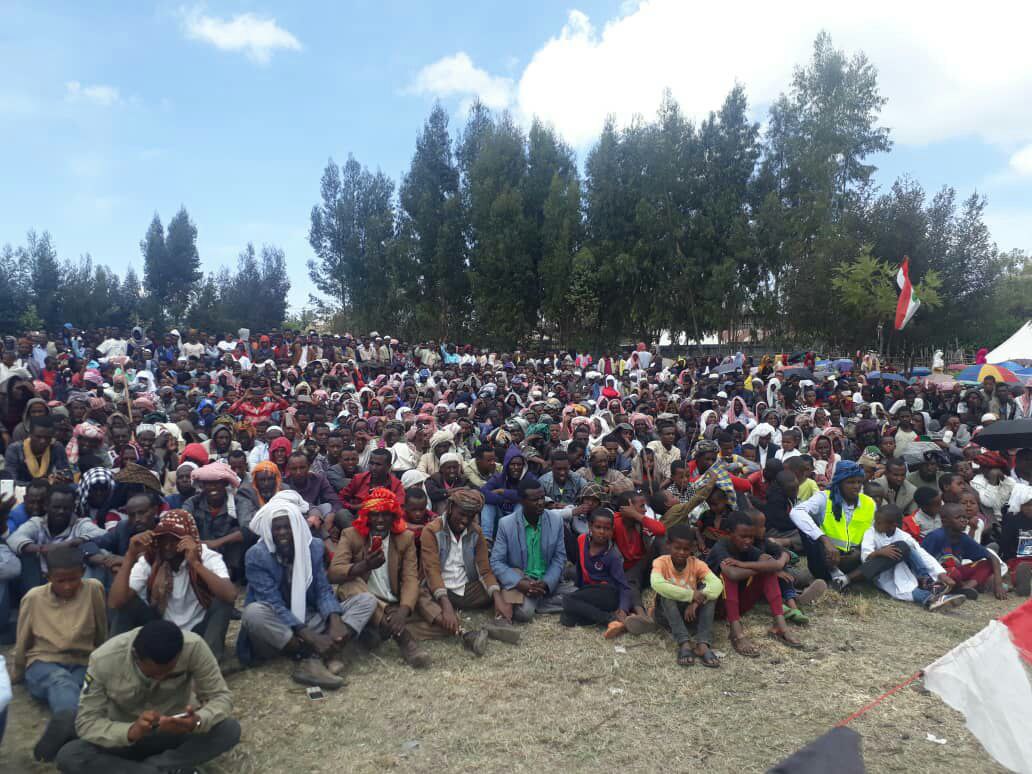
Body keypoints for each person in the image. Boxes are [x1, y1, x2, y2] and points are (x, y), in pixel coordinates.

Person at [55, 619, 240, 773]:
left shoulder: (194, 647)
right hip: (122, 739)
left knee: (229, 729)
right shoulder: (104, 659)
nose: (159, 679)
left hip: (174, 732)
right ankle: (165, 770)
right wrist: (131, 731)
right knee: (71, 755)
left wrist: (197, 721)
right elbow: (87, 722)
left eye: (168, 673)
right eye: (152, 674)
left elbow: (221, 697)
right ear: (136, 656)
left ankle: (154, 768)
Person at [240, 490, 376, 688]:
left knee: (367, 600)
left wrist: (335, 620)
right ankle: (311, 655)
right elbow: (273, 603)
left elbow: (322, 589)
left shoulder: (314, 547)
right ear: (270, 530)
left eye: (287, 527)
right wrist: (310, 637)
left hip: (310, 617)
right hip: (280, 626)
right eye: (277, 528)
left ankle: (324, 650)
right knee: (253, 613)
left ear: (297, 527)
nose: (282, 533)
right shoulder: (257, 555)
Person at [11, 543, 107, 762]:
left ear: (83, 572)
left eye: (73, 579)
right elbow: (23, 638)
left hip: (82, 661)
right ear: (48, 576)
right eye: (60, 580)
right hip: (43, 661)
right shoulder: (34, 597)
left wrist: (102, 663)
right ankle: (68, 718)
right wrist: (17, 672)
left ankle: (69, 728)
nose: (67, 586)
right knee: (60, 681)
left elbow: (101, 628)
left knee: (85, 687)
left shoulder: (93, 589)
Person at [108, 510, 237, 664]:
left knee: (222, 601)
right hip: (162, 630)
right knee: (127, 603)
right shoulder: (151, 559)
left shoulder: (206, 556)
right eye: (163, 540)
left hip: (198, 630)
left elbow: (230, 595)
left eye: (175, 540)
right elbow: (115, 602)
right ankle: (116, 662)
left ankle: (208, 663)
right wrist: (130, 556)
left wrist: (195, 564)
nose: (168, 546)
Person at [328, 487, 430, 668]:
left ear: (394, 516)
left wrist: (403, 611)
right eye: (375, 515)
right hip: (362, 599)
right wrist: (364, 565)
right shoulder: (351, 535)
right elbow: (333, 573)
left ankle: (384, 628)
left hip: (392, 602)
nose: (380, 520)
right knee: (351, 582)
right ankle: (404, 639)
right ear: (367, 516)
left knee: (420, 595)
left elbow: (410, 578)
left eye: (385, 515)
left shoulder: (405, 538)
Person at [414, 488, 521, 653]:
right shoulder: (431, 530)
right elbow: (432, 571)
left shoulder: (476, 532)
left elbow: (484, 570)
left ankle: (500, 622)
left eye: (471, 516)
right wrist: (446, 605)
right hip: (439, 592)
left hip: (468, 589)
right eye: (462, 514)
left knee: (513, 575)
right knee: (417, 592)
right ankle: (463, 632)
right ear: (450, 508)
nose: (465, 520)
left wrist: (497, 597)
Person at [706, 511, 803, 656]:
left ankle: (780, 627)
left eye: (751, 537)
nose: (748, 541)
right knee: (728, 575)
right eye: (743, 537)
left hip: (740, 603)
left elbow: (773, 564)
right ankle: (736, 633)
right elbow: (732, 574)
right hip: (717, 606)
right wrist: (760, 567)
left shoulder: (749, 548)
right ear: (729, 534)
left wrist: (743, 565)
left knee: (768, 572)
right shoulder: (721, 547)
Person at [489, 479, 575, 623]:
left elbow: (559, 557)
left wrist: (546, 583)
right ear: (522, 501)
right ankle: (542, 600)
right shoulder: (506, 524)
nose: (540, 503)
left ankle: (539, 599)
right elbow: (496, 562)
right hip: (522, 579)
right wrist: (519, 583)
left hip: (546, 578)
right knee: (524, 614)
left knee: (579, 594)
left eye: (542, 497)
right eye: (534, 500)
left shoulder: (556, 520)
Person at [789, 461, 876, 591]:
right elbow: (796, 512)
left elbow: (874, 533)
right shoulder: (824, 497)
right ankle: (836, 576)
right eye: (850, 482)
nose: (856, 486)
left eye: (859, 482)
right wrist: (825, 540)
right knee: (806, 528)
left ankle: (845, 579)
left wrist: (859, 552)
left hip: (854, 559)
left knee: (894, 548)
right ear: (839, 483)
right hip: (826, 559)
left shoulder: (869, 503)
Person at [860, 504, 964, 610]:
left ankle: (927, 581)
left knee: (909, 548)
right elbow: (865, 556)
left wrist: (940, 573)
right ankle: (930, 598)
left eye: (879, 522)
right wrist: (880, 552)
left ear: (893, 525)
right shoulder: (871, 532)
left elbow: (922, 554)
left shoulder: (903, 535)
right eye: (876, 521)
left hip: (902, 570)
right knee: (906, 590)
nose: (875, 524)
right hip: (882, 574)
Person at [7, 483, 108, 590]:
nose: (61, 511)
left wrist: (73, 543)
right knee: (25, 556)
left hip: (72, 582)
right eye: (56, 507)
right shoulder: (37, 523)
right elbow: (14, 538)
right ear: (46, 506)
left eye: (66, 508)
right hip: (41, 581)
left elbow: (103, 534)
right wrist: (41, 549)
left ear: (73, 508)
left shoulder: (80, 524)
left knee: (93, 549)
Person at [651, 524, 723, 667]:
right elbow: (656, 583)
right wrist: (691, 595)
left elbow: (717, 584)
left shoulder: (697, 563)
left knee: (708, 593)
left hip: (690, 615)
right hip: (666, 615)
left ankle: (703, 644)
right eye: (677, 548)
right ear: (668, 545)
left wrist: (696, 601)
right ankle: (684, 642)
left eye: (686, 549)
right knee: (666, 593)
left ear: (693, 548)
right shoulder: (661, 562)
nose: (682, 552)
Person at [560, 507, 633, 637]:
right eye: (598, 527)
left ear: (612, 530)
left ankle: (611, 619)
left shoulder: (613, 555)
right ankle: (611, 619)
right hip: (589, 591)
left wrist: (623, 609)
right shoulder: (581, 540)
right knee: (566, 619)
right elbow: (580, 566)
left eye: (606, 529)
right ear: (590, 527)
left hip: (607, 593)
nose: (602, 532)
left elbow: (623, 586)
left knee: (567, 600)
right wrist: (579, 587)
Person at [183, 462, 255, 582]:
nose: (213, 487)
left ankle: (232, 575)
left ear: (225, 484)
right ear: (202, 486)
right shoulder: (193, 502)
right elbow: (182, 521)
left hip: (229, 555)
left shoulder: (239, 502)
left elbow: (249, 529)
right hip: (200, 551)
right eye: (208, 484)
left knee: (237, 531)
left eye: (217, 483)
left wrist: (216, 543)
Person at [922, 503, 1007, 601]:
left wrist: (998, 584)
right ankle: (954, 588)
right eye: (958, 518)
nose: (963, 520)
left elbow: (992, 558)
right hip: (937, 575)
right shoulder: (936, 536)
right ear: (944, 521)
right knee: (954, 573)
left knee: (987, 564)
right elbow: (922, 560)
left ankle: (966, 587)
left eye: (965, 517)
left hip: (957, 573)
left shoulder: (964, 538)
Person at [480, 445, 539, 542]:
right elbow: (483, 493)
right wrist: (503, 499)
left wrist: (502, 491)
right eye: (512, 464)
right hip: (500, 516)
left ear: (523, 466)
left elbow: (531, 494)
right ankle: (486, 540)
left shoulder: (528, 477)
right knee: (488, 505)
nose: (516, 468)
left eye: (519, 465)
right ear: (507, 465)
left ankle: (516, 539)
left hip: (519, 519)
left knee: (521, 505)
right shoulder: (499, 478)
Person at [4, 416, 72, 484]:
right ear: (30, 434)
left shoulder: (56, 447)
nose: (43, 441)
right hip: (22, 488)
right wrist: (42, 483)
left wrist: (60, 478)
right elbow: (10, 481)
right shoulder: (15, 449)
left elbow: (68, 476)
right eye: (38, 437)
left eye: (47, 437)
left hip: (51, 488)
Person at [338, 448, 404, 512]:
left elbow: (399, 508)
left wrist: (378, 505)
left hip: (384, 517)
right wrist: (355, 507)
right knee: (343, 514)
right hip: (358, 515)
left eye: (378, 464)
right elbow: (340, 498)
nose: (373, 468)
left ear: (389, 466)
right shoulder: (359, 478)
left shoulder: (396, 485)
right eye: (371, 463)